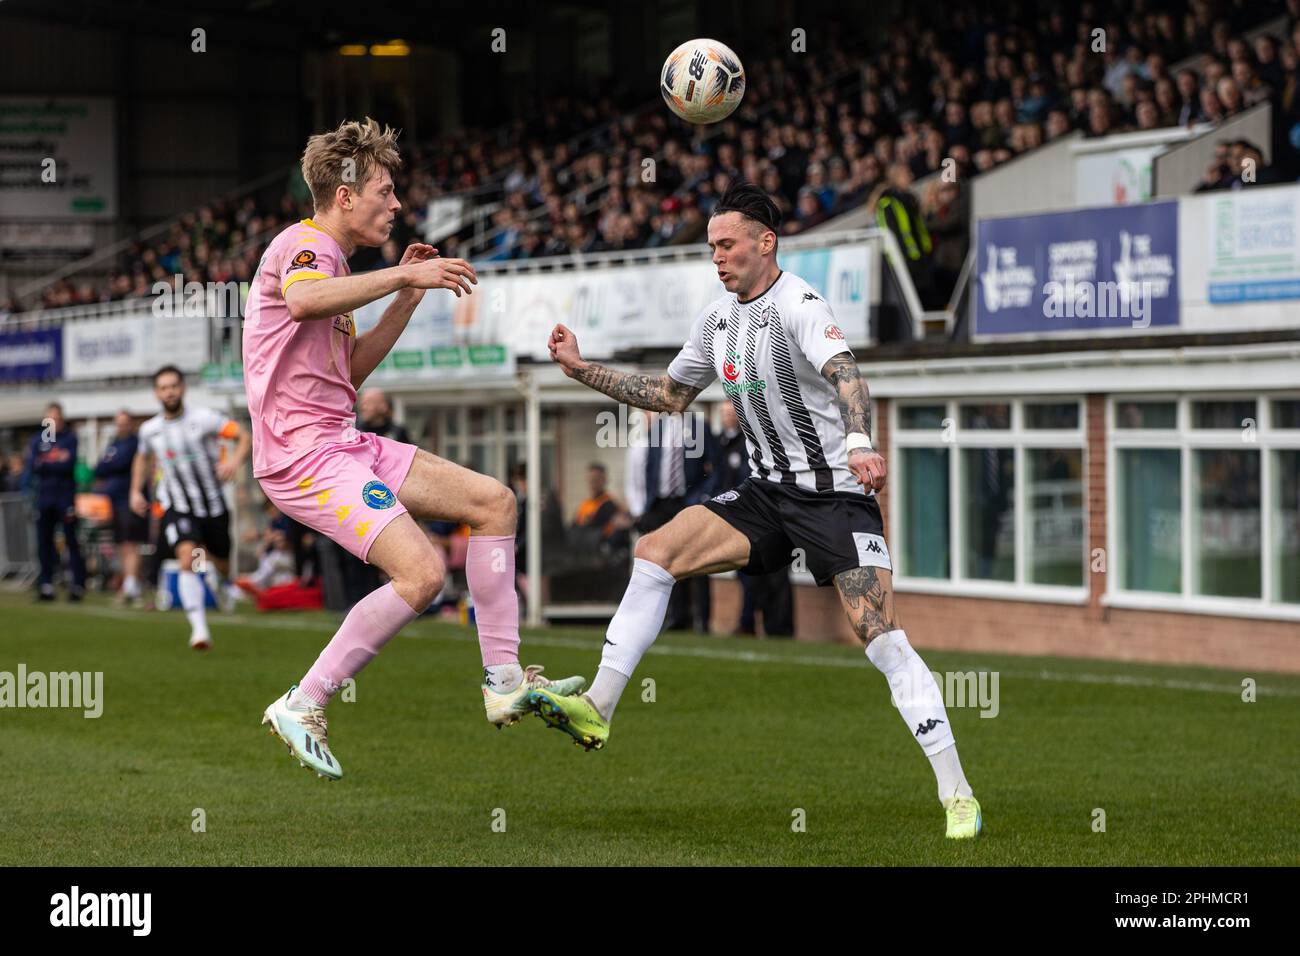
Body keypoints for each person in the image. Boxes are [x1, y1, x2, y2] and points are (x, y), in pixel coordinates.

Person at [539, 181, 981, 839]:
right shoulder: (716, 320)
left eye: (728, 244)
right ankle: (598, 704)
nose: (717, 256)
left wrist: (860, 440)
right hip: (766, 494)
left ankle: (958, 794)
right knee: (655, 550)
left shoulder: (799, 303)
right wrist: (579, 369)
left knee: (883, 639)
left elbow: (847, 374)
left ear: (764, 242)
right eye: (712, 246)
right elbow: (667, 394)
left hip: (836, 496)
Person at [243, 117, 582, 781]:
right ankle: (301, 702)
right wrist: (399, 282)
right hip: (301, 456)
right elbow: (305, 300)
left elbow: (350, 373)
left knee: (493, 502)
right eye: (385, 191)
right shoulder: (303, 246)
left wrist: (406, 291)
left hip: (343, 440)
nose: (396, 204)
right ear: (345, 196)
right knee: (423, 574)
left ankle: (506, 681)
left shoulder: (335, 265)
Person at [130, 366, 250, 649]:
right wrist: (135, 491)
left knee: (220, 563)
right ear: (157, 393)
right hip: (178, 506)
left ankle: (220, 583)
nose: (169, 391)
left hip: (213, 507)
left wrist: (233, 462)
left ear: (182, 388)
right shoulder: (150, 430)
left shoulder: (205, 419)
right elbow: (142, 458)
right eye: (163, 387)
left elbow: (243, 436)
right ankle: (199, 630)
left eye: (174, 385)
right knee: (188, 557)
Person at [29, 403, 85, 602]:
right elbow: (36, 465)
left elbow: (67, 464)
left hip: (65, 498)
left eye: (57, 418)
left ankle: (77, 584)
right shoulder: (39, 440)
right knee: (44, 542)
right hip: (45, 498)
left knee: (71, 540)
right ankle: (46, 584)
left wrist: (50, 461)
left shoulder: (70, 438)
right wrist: (54, 459)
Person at [94, 410, 148, 606]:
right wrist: (109, 464)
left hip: (130, 499)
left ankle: (132, 585)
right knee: (121, 544)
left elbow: (120, 463)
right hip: (114, 501)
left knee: (131, 543)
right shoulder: (113, 443)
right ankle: (128, 584)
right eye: (118, 423)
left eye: (125, 422)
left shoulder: (135, 443)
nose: (121, 426)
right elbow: (99, 467)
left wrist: (110, 464)